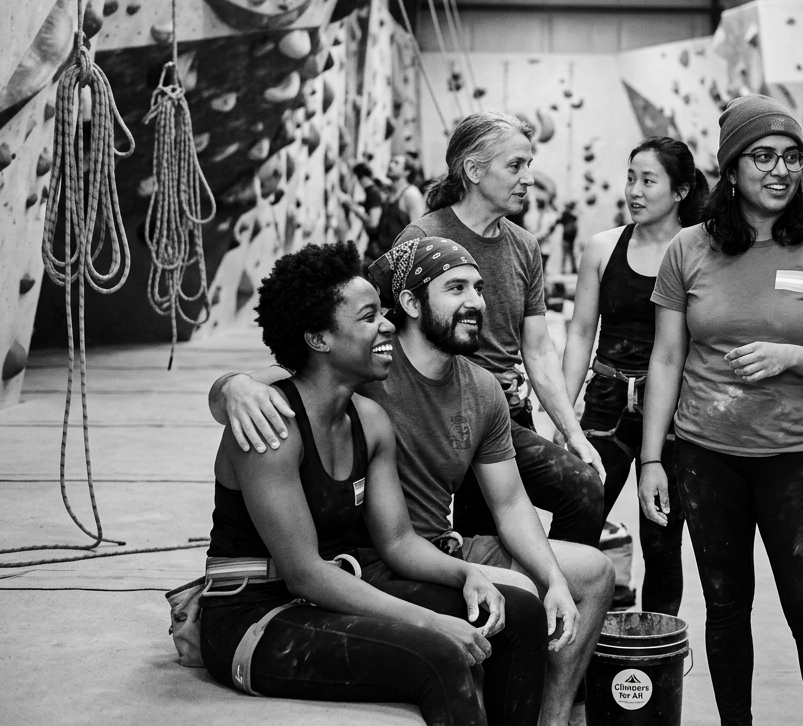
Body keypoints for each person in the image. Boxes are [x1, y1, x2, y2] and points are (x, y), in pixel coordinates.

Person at [209, 238, 615, 726]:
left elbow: (403, 539)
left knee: (524, 610)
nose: (385, 325)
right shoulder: (275, 421)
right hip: (259, 611)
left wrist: (468, 574)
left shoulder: (371, 417)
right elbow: (306, 572)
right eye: (369, 317)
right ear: (319, 339)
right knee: (442, 655)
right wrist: (231, 385)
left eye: (479, 288)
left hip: (353, 576)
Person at [639, 95, 803, 725]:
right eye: (762, 156)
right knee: (724, 607)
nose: (780, 169)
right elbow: (667, 358)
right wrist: (652, 459)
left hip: (794, 458)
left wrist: (789, 356)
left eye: (792, 157)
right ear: (732, 168)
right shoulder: (688, 249)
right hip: (705, 455)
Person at [399, 112, 607, 549]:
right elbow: (392, 336)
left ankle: (558, 586)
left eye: (529, 164)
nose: (528, 178)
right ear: (474, 171)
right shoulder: (423, 238)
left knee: (577, 490)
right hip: (443, 414)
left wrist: (573, 432)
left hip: (506, 412)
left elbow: (539, 350)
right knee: (496, 530)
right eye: (515, 166)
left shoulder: (524, 246)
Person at [561, 137, 708, 616]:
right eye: (630, 178)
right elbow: (581, 332)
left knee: (662, 543)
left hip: (671, 412)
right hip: (605, 404)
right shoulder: (603, 247)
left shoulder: (701, 251)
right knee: (575, 529)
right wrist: (565, 417)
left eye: (648, 180)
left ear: (681, 191)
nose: (634, 191)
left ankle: (655, 648)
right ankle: (567, 642)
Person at [558, 202, 579, 274]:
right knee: (571, 253)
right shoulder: (573, 216)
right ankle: (574, 268)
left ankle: (563, 269)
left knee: (564, 253)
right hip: (572, 237)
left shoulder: (565, 214)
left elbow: (560, 221)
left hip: (566, 236)